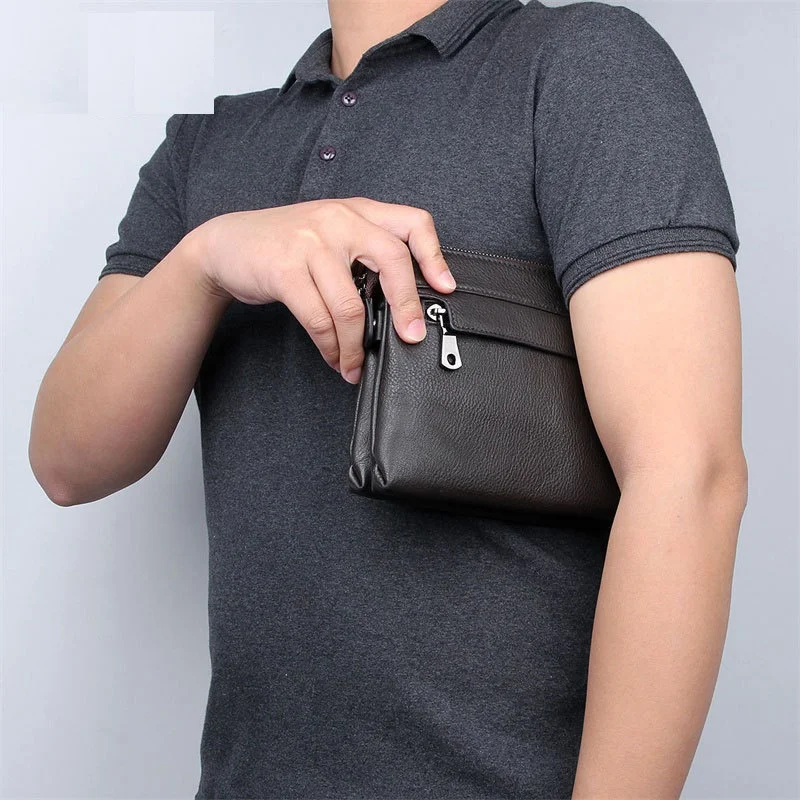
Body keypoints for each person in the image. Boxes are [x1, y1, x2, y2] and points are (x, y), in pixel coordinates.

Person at [29, 0, 748, 796]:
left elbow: (688, 477)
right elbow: (68, 461)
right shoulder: (206, 144)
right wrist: (204, 260)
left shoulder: (584, 63)